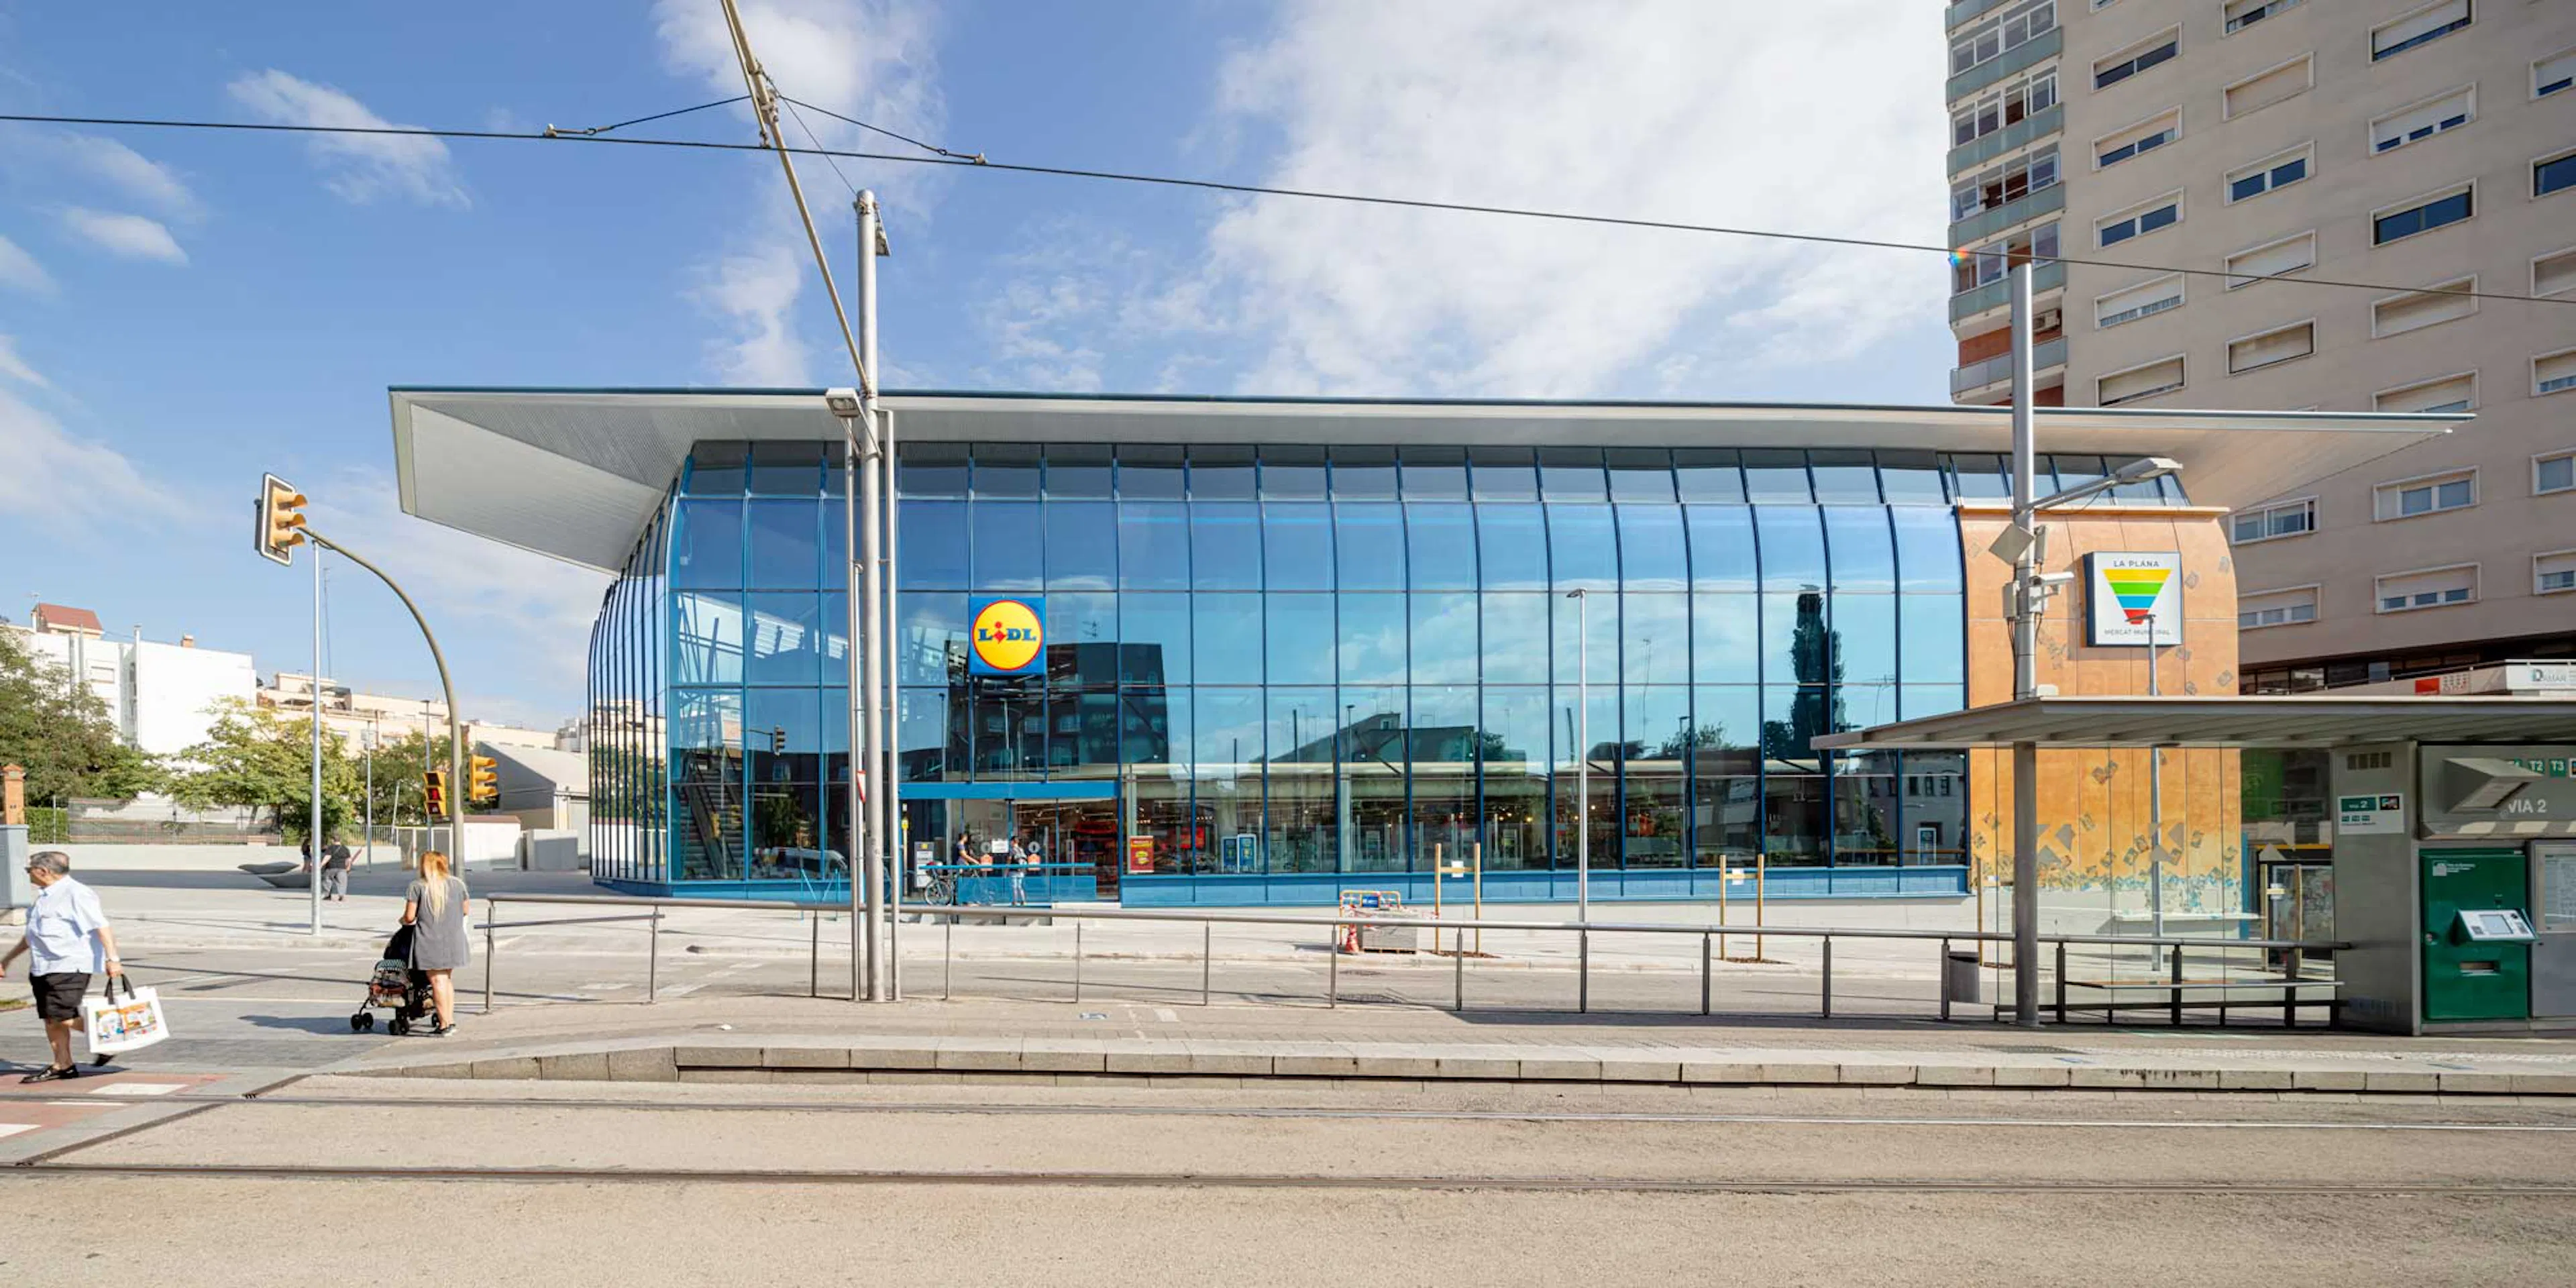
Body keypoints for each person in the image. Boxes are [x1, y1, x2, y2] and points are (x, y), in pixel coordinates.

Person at [0, 851, 124, 1083]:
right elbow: (32, 936)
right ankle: (63, 1065)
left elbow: (102, 927)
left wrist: (113, 959)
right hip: (43, 965)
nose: (28, 874)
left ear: (43, 871)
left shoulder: (77, 894)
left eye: (30, 870)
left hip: (70, 965)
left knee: (60, 1014)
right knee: (50, 1017)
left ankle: (108, 1037)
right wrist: (7, 959)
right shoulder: (45, 896)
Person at [401, 850, 470, 1036]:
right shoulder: (458, 884)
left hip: (430, 940)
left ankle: (444, 1024)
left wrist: (402, 920)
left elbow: (409, 917)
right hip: (454, 939)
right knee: (446, 980)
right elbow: (465, 910)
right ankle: (450, 1020)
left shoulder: (418, 886)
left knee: (437, 980)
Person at [321, 837, 354, 902]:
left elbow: (328, 857)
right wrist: (348, 867)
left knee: (327, 880)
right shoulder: (345, 848)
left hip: (331, 867)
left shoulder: (331, 848)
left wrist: (321, 865)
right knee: (342, 882)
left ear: (333, 840)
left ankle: (327, 895)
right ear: (340, 840)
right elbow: (349, 860)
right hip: (342, 868)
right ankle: (341, 896)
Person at [1008, 833, 1031, 907]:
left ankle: (1015, 901)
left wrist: (1006, 870)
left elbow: (1009, 860)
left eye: (1011, 841)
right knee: (1020, 886)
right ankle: (1023, 901)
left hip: (1013, 871)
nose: (1010, 843)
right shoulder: (1021, 850)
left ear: (1013, 842)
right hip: (1021, 871)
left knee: (1014, 887)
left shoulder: (1012, 850)